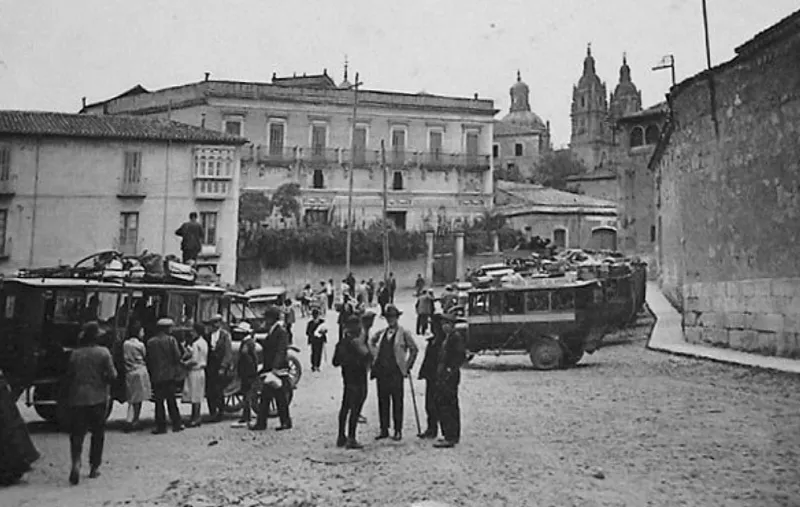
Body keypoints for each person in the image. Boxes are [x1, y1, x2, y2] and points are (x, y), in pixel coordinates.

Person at [64, 322, 117, 485]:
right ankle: (94, 467)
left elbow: (69, 375)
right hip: (98, 398)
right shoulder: (103, 352)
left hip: (77, 398)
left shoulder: (75, 354)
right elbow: (113, 375)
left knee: (77, 434)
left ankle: (76, 462)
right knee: (97, 433)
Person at [368, 304, 418, 441]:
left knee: (397, 401)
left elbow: (414, 349)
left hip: (396, 372)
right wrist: (375, 355)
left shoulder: (404, 333)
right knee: (382, 401)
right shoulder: (381, 333)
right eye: (388, 317)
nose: (390, 319)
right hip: (382, 372)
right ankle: (384, 429)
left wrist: (407, 366)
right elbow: (371, 342)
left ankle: (397, 430)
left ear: (397, 318)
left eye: (393, 317)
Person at [333, 314, 372, 449]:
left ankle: (341, 436)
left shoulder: (341, 343)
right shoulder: (357, 344)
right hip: (359, 378)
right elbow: (368, 356)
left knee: (345, 408)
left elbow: (335, 362)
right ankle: (351, 437)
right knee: (356, 409)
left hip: (347, 379)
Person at [252, 306, 292, 431]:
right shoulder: (273, 330)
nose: (265, 320)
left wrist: (275, 367)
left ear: (272, 318)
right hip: (271, 369)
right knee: (267, 396)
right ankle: (263, 422)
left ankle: (282, 422)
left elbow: (281, 350)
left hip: (278, 370)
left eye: (267, 318)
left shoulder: (281, 332)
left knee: (279, 397)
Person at [433, 312, 467, 448]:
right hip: (444, 376)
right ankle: (449, 434)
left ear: (452, 325)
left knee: (449, 405)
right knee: (445, 404)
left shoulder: (455, 338)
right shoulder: (448, 337)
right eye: (443, 324)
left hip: (450, 377)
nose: (444, 326)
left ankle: (451, 436)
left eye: (447, 324)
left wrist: (449, 369)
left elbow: (460, 356)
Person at [146, 318, 184, 435]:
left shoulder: (151, 342)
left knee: (159, 402)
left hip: (157, 376)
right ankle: (176, 424)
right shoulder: (171, 340)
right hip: (169, 375)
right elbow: (177, 356)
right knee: (171, 401)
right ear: (166, 329)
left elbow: (149, 359)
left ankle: (161, 427)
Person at [417, 314, 444, 439]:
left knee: (439, 404)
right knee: (429, 404)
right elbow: (427, 359)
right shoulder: (433, 340)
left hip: (439, 377)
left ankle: (443, 431)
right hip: (430, 376)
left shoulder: (443, 341)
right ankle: (431, 428)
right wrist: (423, 372)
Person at [122, 321, 151, 433]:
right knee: (138, 398)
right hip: (140, 371)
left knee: (132, 397)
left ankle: (131, 419)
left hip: (129, 372)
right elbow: (144, 355)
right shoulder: (140, 345)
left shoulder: (125, 344)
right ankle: (134, 420)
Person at [206, 314, 233, 422]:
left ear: (220, 323)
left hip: (219, 365)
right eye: (212, 323)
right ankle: (212, 412)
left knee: (218, 390)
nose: (214, 325)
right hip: (210, 366)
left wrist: (223, 366)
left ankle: (220, 412)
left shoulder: (225, 335)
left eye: (216, 322)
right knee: (209, 390)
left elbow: (228, 352)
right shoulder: (208, 335)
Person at [232, 322, 259, 428]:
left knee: (247, 395)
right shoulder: (248, 342)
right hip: (248, 372)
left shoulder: (248, 343)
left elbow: (249, 358)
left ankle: (246, 416)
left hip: (248, 372)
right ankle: (246, 415)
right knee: (246, 394)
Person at [182, 323, 208, 428]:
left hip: (195, 370)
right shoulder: (204, 342)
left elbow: (194, 360)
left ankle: (195, 418)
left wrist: (184, 363)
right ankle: (195, 416)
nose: (192, 333)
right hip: (201, 370)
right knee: (198, 394)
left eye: (193, 331)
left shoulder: (196, 344)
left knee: (194, 395)